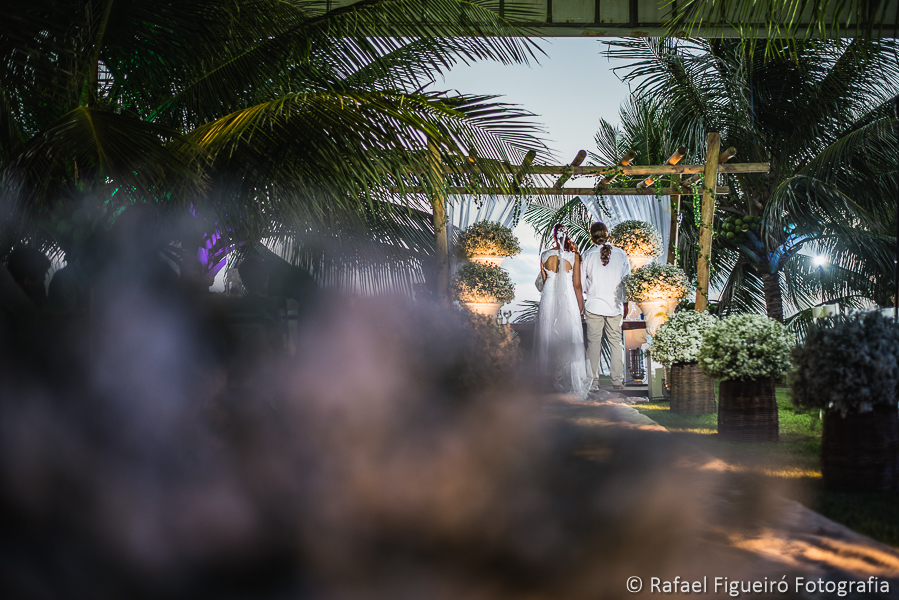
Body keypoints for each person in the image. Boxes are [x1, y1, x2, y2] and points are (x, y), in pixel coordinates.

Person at [534, 224, 590, 396]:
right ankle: (571, 378)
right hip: (568, 299)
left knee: (547, 334)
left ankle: (545, 380)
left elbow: (543, 282)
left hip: (549, 296)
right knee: (570, 333)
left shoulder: (544, 255)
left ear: (553, 236)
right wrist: (580, 307)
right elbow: (578, 285)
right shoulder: (574, 257)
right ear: (567, 236)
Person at [581, 222, 631, 391]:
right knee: (616, 343)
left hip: (594, 305)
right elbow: (627, 282)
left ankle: (593, 382)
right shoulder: (621, 254)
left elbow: (581, 283)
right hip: (615, 306)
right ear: (607, 234)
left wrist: (591, 291)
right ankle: (617, 381)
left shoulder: (587, 255)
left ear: (592, 236)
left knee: (593, 344)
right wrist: (625, 303)